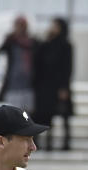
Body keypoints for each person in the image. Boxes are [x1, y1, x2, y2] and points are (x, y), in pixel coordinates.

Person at [33, 18, 74, 151]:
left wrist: (64, 87)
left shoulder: (66, 46)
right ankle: (42, 142)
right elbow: (38, 64)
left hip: (59, 86)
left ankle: (66, 142)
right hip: (45, 86)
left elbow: (67, 68)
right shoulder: (45, 44)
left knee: (63, 115)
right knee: (43, 115)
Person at [0, 16, 38, 112]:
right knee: (14, 111)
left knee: (27, 113)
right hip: (13, 83)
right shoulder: (11, 41)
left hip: (29, 83)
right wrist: (6, 40)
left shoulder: (33, 42)